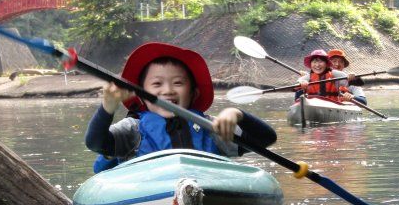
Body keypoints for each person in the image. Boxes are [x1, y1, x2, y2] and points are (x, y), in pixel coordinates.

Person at [86, 42, 276, 172]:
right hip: (147, 195)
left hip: (206, 189)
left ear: (194, 93)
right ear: (142, 96)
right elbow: (95, 143)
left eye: (178, 83)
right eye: (157, 84)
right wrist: (107, 108)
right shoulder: (131, 129)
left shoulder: (212, 128)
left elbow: (266, 139)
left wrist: (238, 114)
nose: (168, 91)